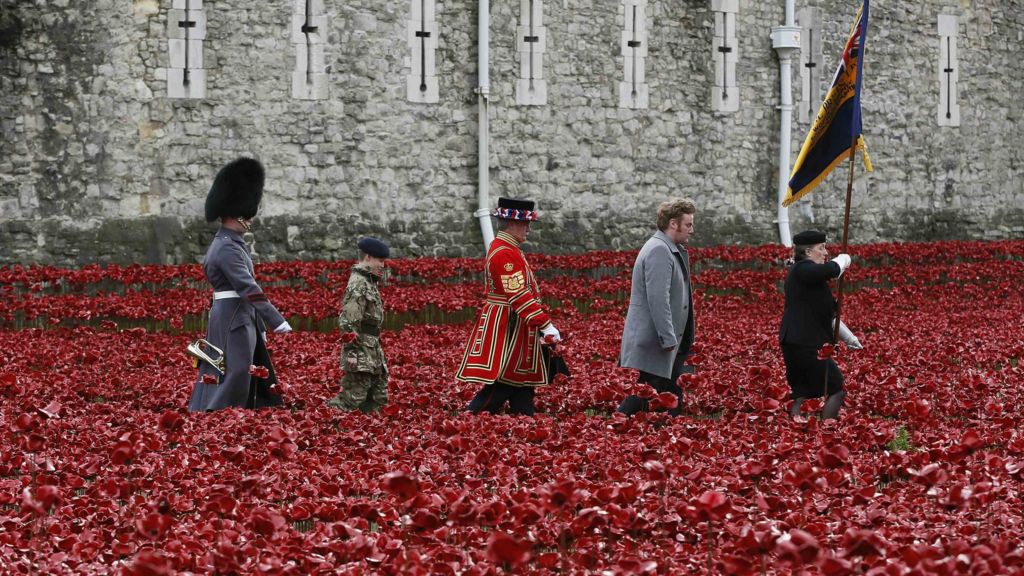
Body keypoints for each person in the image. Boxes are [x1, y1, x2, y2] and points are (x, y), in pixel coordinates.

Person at [188, 157, 293, 412]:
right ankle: (217, 413)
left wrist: (259, 326)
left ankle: (234, 413)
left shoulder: (231, 243)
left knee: (241, 369)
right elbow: (248, 289)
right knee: (234, 372)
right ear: (239, 214)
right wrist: (276, 320)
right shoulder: (227, 247)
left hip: (237, 316)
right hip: (233, 319)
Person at [456, 197, 563, 416]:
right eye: (526, 224)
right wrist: (545, 325)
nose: (529, 229)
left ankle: (524, 427)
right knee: (503, 384)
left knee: (522, 385)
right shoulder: (505, 252)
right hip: (510, 326)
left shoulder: (508, 249)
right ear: (513, 223)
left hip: (517, 326)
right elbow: (519, 295)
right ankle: (467, 423)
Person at [617, 198, 697, 417]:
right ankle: (616, 422)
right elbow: (658, 300)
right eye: (688, 224)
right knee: (649, 391)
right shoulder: (659, 250)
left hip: (664, 341)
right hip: (658, 342)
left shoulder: (667, 248)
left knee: (666, 391)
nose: (692, 230)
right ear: (673, 224)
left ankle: (670, 433)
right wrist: (668, 338)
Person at [779, 230, 862, 421]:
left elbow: (828, 315)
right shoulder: (802, 269)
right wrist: (842, 261)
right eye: (821, 248)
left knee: (802, 391)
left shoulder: (810, 279)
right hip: (806, 343)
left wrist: (849, 338)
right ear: (808, 252)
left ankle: (795, 431)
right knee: (836, 388)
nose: (825, 253)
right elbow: (831, 270)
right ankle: (827, 430)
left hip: (796, 341)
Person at [328, 237, 391, 413]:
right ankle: (327, 424)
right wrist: (353, 356)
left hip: (371, 348)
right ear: (368, 257)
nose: (383, 265)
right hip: (361, 350)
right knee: (352, 398)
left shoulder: (368, 281)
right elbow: (348, 322)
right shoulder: (358, 284)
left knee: (377, 398)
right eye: (380, 260)